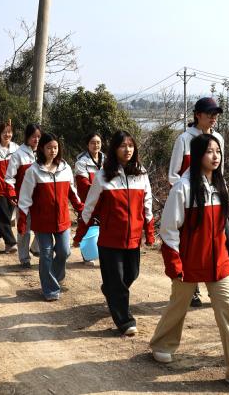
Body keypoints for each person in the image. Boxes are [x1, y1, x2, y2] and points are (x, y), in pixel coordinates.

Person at [151, 133, 229, 391]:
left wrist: (227, 255)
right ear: (198, 155)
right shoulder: (183, 187)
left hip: (218, 262)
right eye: (210, 151)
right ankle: (162, 343)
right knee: (179, 304)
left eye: (218, 152)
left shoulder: (220, 186)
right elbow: (168, 229)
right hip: (189, 261)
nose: (215, 156)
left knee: (228, 312)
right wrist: (174, 262)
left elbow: (222, 228)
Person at [79, 130, 153, 335]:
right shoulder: (103, 175)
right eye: (122, 146)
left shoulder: (141, 172)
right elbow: (90, 205)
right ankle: (125, 321)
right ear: (114, 149)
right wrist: (80, 232)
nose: (127, 149)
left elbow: (147, 201)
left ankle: (110, 290)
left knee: (132, 274)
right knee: (118, 281)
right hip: (110, 239)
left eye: (130, 145)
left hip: (133, 237)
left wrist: (149, 228)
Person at [168, 96, 228, 307]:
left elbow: (220, 172)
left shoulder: (218, 138)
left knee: (225, 243)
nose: (213, 117)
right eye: (209, 113)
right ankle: (192, 289)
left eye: (216, 114)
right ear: (197, 115)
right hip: (191, 202)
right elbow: (173, 174)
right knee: (192, 247)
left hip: (215, 200)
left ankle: (217, 286)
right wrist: (188, 191)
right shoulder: (184, 139)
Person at [17, 133, 84, 301]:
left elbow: (72, 192)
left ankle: (53, 277)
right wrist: (22, 220)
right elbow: (25, 197)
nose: (53, 151)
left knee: (64, 251)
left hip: (62, 220)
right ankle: (50, 289)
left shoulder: (65, 168)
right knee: (46, 253)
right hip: (42, 221)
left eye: (55, 147)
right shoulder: (33, 171)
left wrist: (81, 209)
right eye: (49, 148)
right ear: (42, 149)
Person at [5, 123, 42, 267]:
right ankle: (24, 258)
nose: (36, 140)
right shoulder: (18, 154)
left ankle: (35, 248)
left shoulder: (44, 152)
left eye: (39, 137)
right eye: (33, 137)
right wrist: (12, 194)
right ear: (27, 137)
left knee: (42, 226)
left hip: (41, 198)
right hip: (24, 198)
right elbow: (9, 177)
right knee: (24, 229)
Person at [73, 131, 105, 262]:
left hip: (105, 202)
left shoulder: (107, 161)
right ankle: (87, 255)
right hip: (88, 201)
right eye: (92, 143)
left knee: (104, 229)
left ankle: (103, 254)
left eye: (98, 142)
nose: (96, 145)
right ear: (87, 145)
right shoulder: (81, 162)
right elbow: (84, 185)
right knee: (87, 224)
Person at [0, 121, 19, 254]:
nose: (7, 135)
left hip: (12, 188)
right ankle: (10, 243)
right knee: (4, 216)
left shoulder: (17, 149)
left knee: (6, 215)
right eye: (4, 132)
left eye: (9, 132)